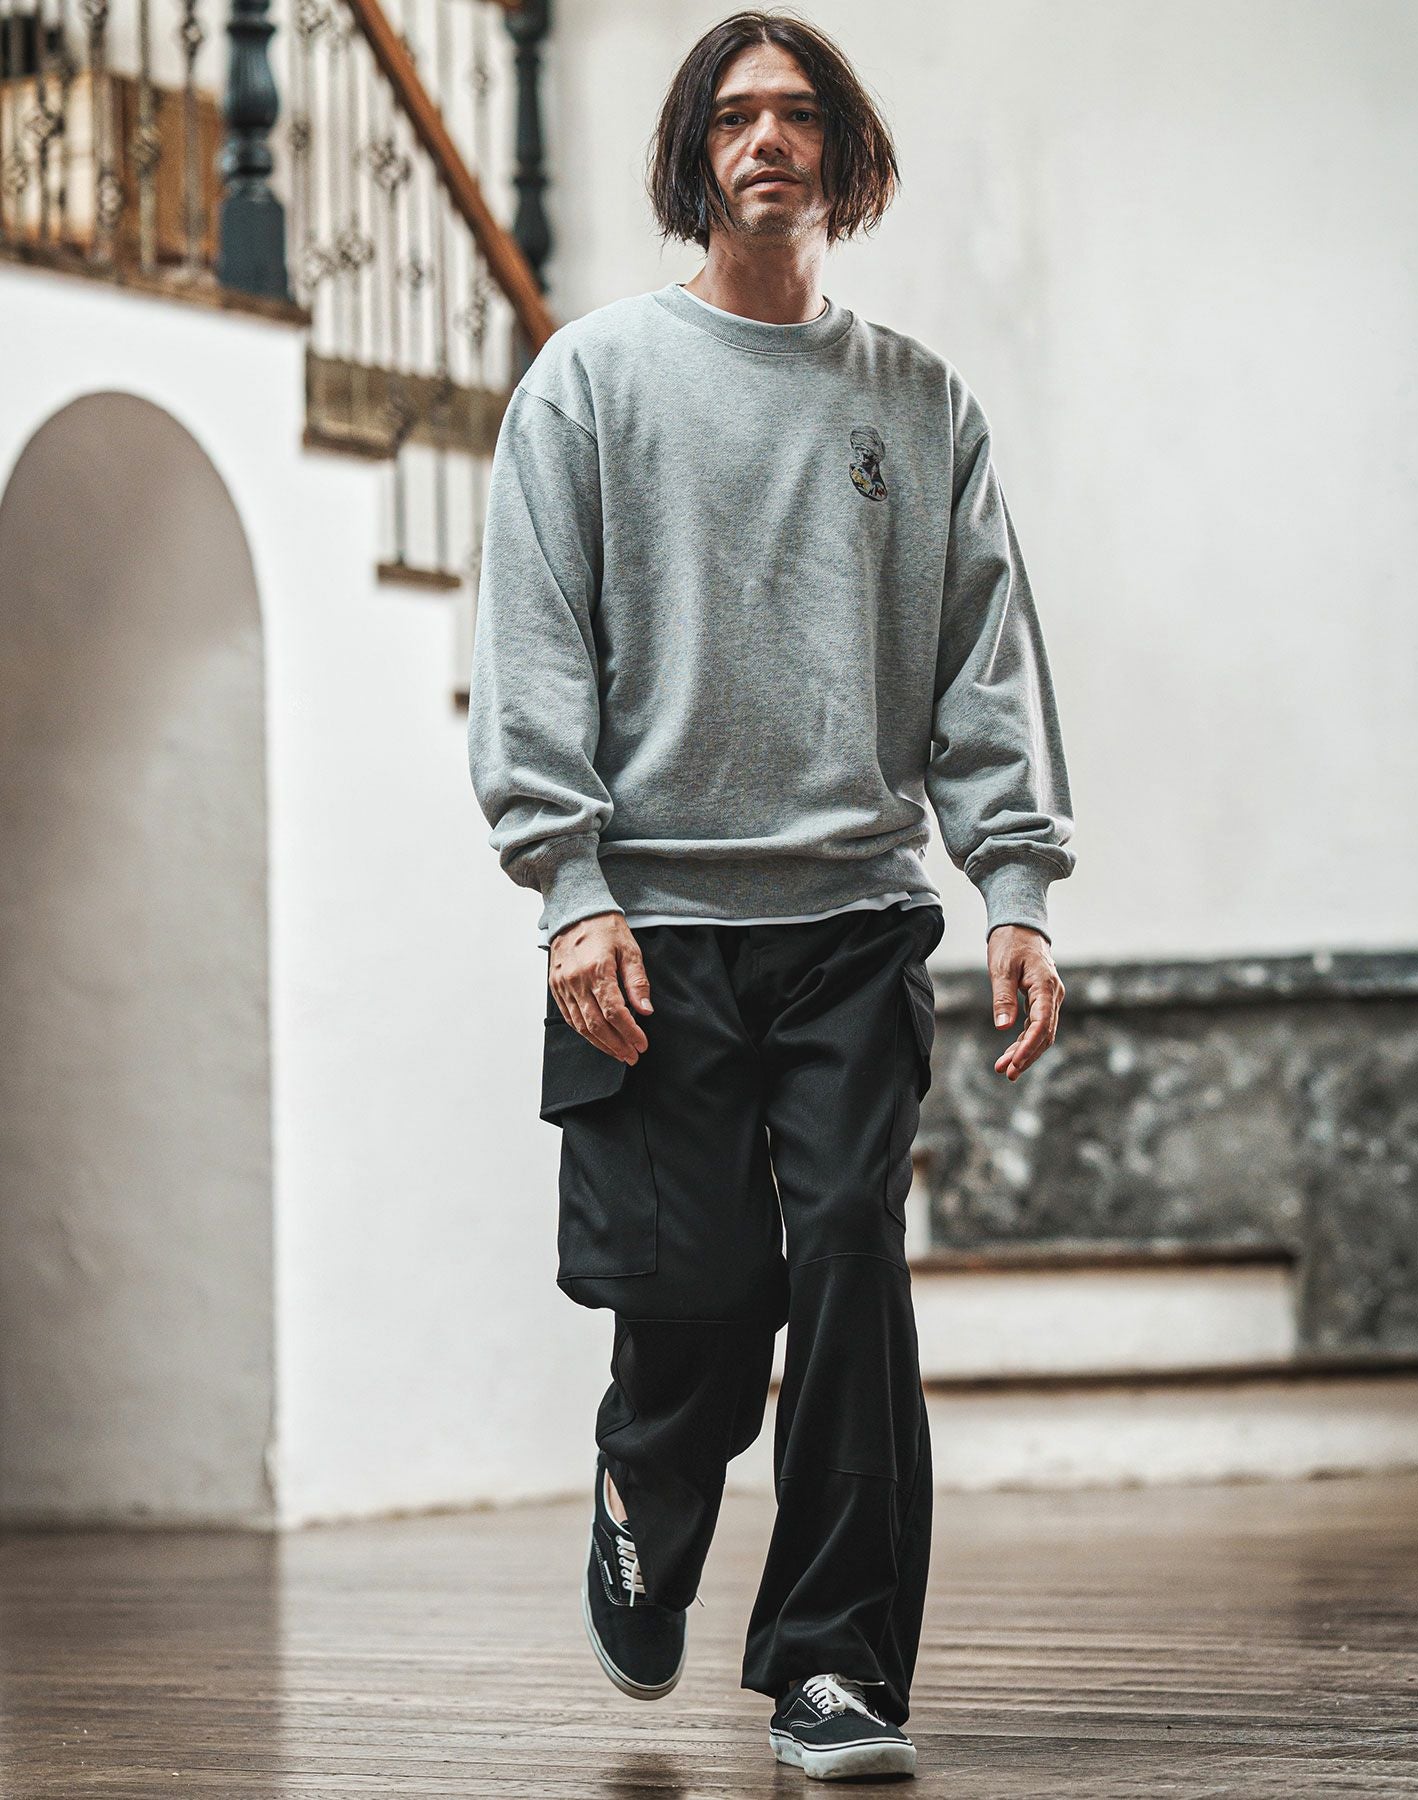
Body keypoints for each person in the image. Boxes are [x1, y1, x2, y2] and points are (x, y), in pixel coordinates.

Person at [467, 8, 1075, 1782]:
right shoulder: (589, 384)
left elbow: (984, 666)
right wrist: (570, 888)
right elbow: (533, 649)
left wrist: (1016, 885)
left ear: (844, 154)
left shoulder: (920, 402)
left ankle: (834, 1667)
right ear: (694, 154)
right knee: (705, 1303)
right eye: (735, 115)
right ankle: (645, 1494)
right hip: (652, 933)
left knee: (853, 1263)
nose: (768, 140)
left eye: (800, 113)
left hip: (853, 924)